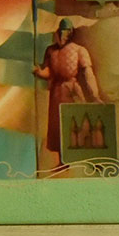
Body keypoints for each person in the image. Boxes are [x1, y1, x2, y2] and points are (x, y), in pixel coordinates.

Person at [34, 20, 105, 156]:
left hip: (73, 91)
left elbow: (88, 73)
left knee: (76, 126)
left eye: (66, 32)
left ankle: (79, 158)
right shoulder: (51, 50)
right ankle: (63, 160)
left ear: (71, 33)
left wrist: (94, 96)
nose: (62, 36)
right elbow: (49, 72)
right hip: (56, 93)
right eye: (60, 32)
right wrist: (39, 72)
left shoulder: (79, 50)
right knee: (58, 128)